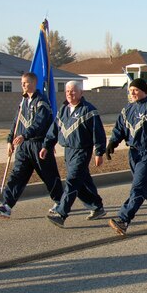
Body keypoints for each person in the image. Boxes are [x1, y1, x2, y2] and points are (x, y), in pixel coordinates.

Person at [105, 78, 147, 235]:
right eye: (130, 90)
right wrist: (112, 143)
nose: (132, 93)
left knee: (138, 187)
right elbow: (119, 129)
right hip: (133, 153)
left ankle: (123, 219)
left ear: (144, 91)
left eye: (135, 90)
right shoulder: (126, 110)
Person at [0, 73, 63, 219]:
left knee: (49, 176)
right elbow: (16, 122)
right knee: (17, 175)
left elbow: (40, 123)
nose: (23, 86)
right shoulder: (23, 102)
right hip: (23, 146)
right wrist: (9, 140)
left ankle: (61, 202)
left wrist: (25, 135)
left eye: (25, 83)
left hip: (39, 145)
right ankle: (7, 205)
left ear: (33, 83)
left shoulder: (42, 102)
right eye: (22, 83)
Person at [42, 81, 106, 227]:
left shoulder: (89, 110)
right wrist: (46, 146)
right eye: (67, 91)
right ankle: (97, 207)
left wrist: (99, 152)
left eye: (73, 91)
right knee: (81, 183)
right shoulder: (63, 109)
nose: (70, 94)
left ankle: (61, 213)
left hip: (82, 151)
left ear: (80, 92)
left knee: (72, 181)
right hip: (68, 151)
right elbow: (54, 130)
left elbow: (99, 133)